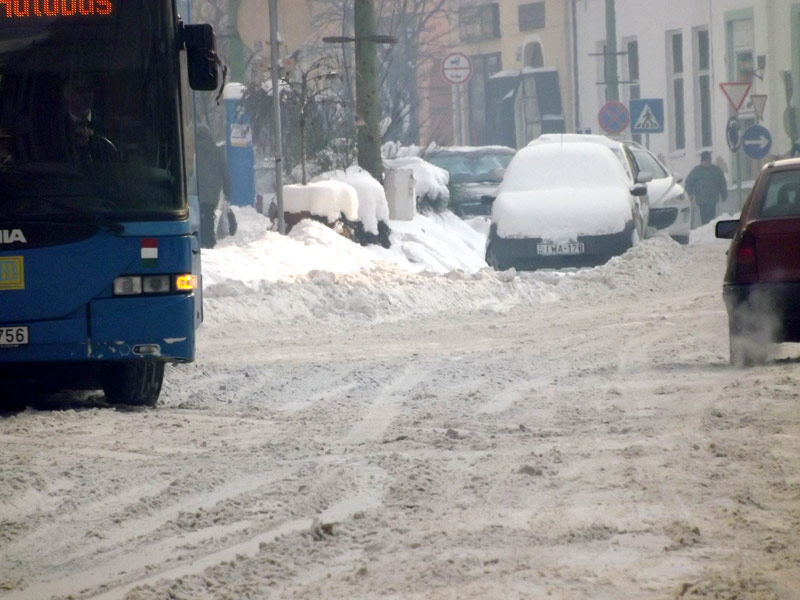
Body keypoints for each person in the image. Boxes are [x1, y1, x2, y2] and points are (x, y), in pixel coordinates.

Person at [61, 71, 116, 164]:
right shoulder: (57, 125)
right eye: (79, 90)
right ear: (67, 94)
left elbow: (114, 156)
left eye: (89, 89)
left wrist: (92, 143)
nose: (86, 95)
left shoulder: (106, 123)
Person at [195, 125, 231, 249]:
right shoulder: (217, 151)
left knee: (198, 217)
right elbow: (225, 174)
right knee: (208, 216)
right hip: (212, 193)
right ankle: (209, 241)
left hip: (195, 192)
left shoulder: (192, 151)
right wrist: (227, 191)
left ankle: (199, 241)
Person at [685, 151, 728, 226]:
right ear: (702, 161)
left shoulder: (716, 170)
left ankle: (710, 228)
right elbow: (688, 183)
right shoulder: (696, 171)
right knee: (704, 218)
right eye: (705, 160)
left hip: (713, 199)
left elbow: (722, 183)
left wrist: (724, 194)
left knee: (712, 218)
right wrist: (690, 194)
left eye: (709, 160)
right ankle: (705, 228)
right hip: (702, 201)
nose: (707, 162)